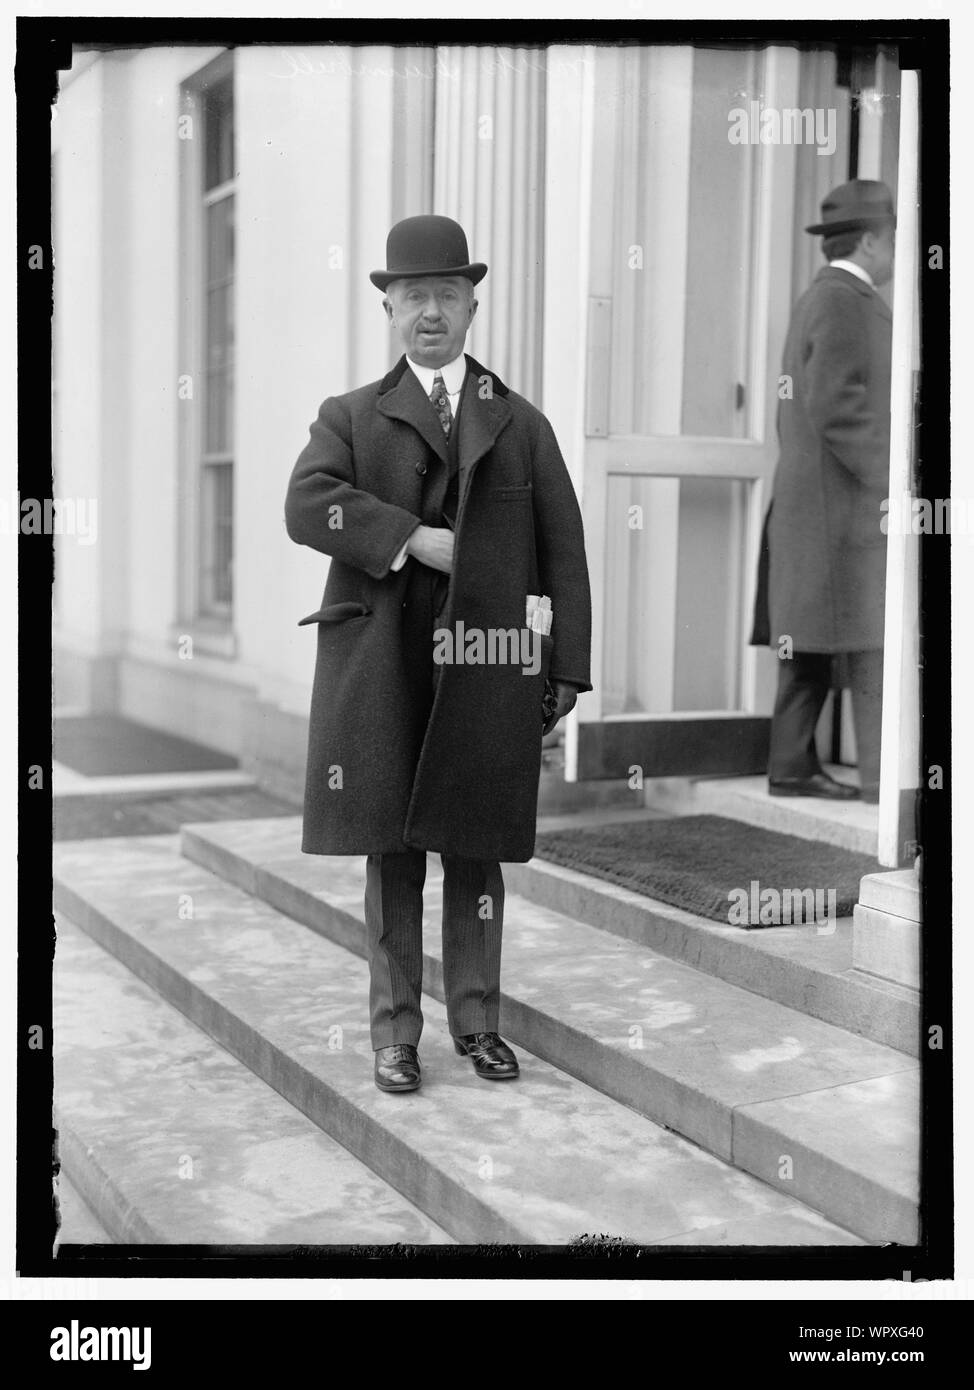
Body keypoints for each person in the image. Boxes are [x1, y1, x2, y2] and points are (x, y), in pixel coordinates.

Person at [285, 215, 592, 1093]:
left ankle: (480, 1025)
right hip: (384, 664)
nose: (431, 313)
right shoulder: (349, 416)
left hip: (488, 665)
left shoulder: (520, 422)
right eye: (414, 296)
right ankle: (394, 1034)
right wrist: (410, 538)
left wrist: (564, 667)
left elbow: (563, 547)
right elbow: (309, 508)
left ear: (472, 308)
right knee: (391, 850)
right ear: (389, 304)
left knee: (477, 847)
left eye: (447, 297)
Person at [751, 179, 895, 803]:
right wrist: (898, 478)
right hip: (842, 509)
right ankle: (884, 783)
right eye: (893, 240)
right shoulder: (843, 301)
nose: (897, 254)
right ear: (870, 240)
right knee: (868, 646)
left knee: (807, 649)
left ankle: (792, 767)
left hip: (816, 507)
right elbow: (838, 404)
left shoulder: (824, 296)